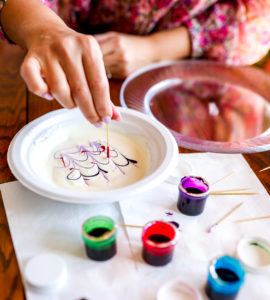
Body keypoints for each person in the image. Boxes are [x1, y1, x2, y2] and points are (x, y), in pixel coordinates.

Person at [0, 0, 269, 126]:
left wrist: (155, 49)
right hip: (64, 72)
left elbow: (258, 20)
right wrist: (42, 28)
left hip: (196, 100)